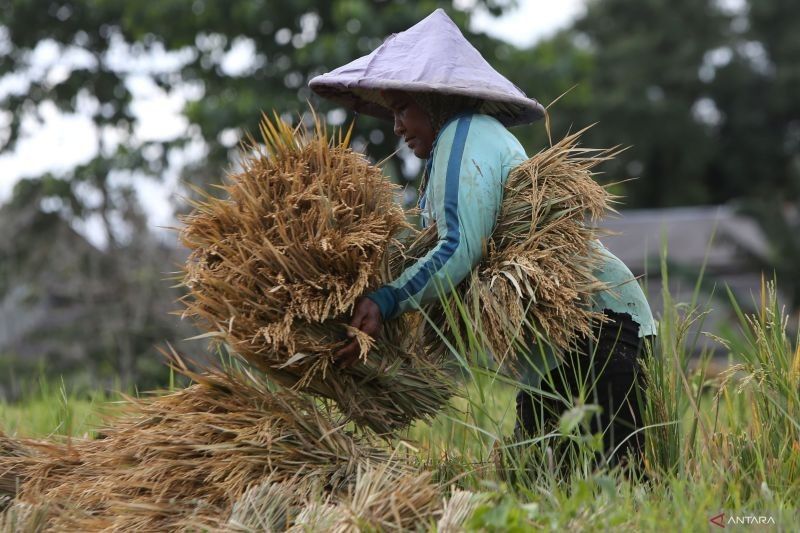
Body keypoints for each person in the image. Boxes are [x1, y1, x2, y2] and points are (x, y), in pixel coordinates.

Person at [309, 9, 656, 469]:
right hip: (567, 347)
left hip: (601, 328)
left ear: (434, 101)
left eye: (401, 108)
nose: (396, 127)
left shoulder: (464, 133)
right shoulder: (450, 155)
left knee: (612, 487)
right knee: (540, 483)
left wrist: (387, 301)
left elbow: (457, 247)